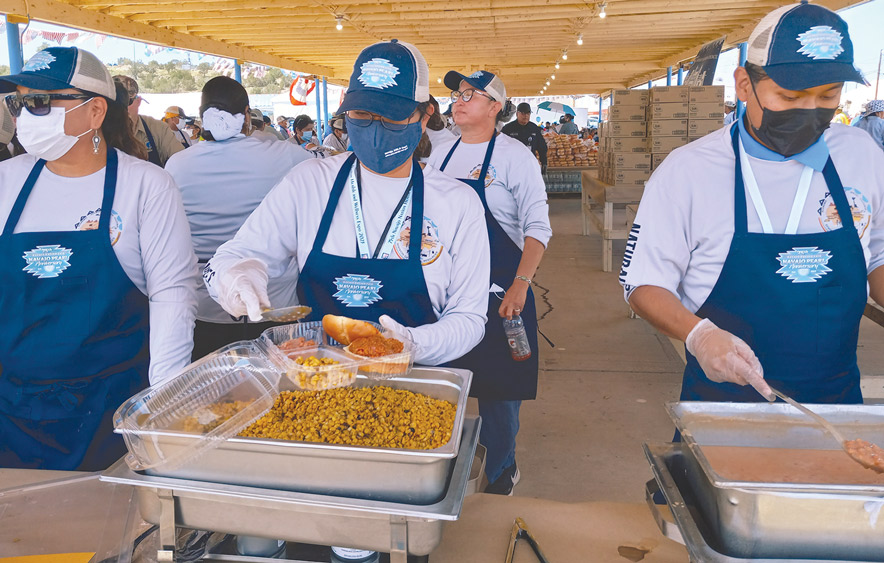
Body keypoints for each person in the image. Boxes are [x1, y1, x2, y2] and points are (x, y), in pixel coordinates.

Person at [620, 3, 884, 406]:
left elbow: (878, 256)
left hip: (837, 406)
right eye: (789, 95)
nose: (810, 111)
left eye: (828, 94)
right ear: (744, 84)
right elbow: (643, 282)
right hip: (721, 406)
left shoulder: (862, 155)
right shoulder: (689, 171)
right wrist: (698, 334)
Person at [203, 39, 490, 382]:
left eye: (391, 117)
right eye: (361, 115)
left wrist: (412, 344)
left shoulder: (457, 203)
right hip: (314, 385)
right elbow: (231, 258)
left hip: (415, 387)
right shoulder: (309, 183)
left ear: (425, 115)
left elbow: (470, 318)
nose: (374, 127)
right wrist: (234, 277)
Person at [0, 46, 198, 470]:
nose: (24, 116)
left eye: (40, 102)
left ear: (95, 112)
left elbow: (173, 297)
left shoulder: (146, 186)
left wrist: (161, 404)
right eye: (18, 102)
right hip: (14, 410)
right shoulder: (5, 183)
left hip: (112, 413)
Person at [428, 69, 551, 495]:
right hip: (446, 294)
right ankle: (439, 469)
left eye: (471, 94)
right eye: (457, 94)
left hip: (501, 293)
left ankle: (501, 469)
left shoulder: (515, 156)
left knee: (500, 394)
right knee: (443, 386)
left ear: (495, 106)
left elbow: (538, 227)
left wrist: (521, 283)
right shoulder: (440, 152)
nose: (459, 101)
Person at [165, 76, 320, 359]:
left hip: (207, 305)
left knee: (218, 395)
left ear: (203, 118)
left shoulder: (177, 164)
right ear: (246, 115)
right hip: (275, 304)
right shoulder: (285, 155)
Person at [113, 75, 183, 167]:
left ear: (138, 101)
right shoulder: (97, 130)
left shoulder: (159, 129)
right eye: (114, 102)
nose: (121, 108)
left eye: (127, 102)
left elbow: (182, 162)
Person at [501, 102, 549, 174]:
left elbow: (542, 147)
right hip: (512, 166)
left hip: (529, 165)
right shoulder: (508, 128)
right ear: (517, 114)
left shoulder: (534, 128)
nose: (525, 116)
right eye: (523, 113)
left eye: (528, 113)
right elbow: (500, 147)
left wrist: (544, 162)